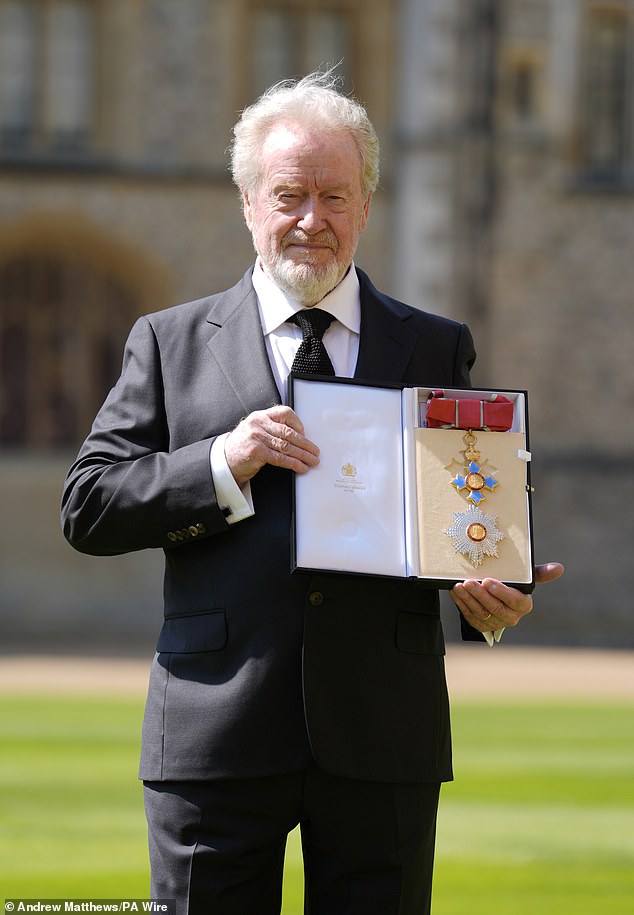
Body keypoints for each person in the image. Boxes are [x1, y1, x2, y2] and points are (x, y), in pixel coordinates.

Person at [61, 71, 563, 915]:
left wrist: (488, 594)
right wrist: (223, 459)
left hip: (383, 733)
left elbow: (460, 514)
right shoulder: (169, 342)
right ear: (249, 203)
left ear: (366, 205)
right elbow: (89, 505)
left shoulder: (436, 346)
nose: (311, 219)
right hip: (213, 730)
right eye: (289, 194)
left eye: (335, 195)